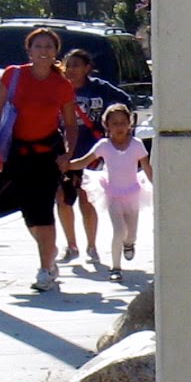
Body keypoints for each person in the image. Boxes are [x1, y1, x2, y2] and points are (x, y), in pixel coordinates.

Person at [0, 28, 79, 293]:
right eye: (38, 46)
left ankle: (45, 269)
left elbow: (71, 125)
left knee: (43, 210)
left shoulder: (62, 84)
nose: (44, 51)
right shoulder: (13, 75)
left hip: (47, 154)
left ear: (55, 52)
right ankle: (49, 252)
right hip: (17, 152)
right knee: (29, 214)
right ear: (29, 51)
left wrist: (67, 154)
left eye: (49, 46)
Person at [56, 48, 131, 266]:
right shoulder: (59, 88)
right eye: (68, 65)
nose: (71, 70)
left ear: (87, 68)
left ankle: (91, 246)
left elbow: (124, 102)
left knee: (86, 199)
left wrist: (114, 127)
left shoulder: (99, 88)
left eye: (76, 65)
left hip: (92, 153)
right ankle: (71, 246)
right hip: (64, 152)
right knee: (62, 198)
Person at [61, 102, 152, 282]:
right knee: (118, 230)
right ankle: (115, 267)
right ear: (107, 126)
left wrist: (156, 184)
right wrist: (68, 165)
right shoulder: (104, 145)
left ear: (129, 124)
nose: (119, 127)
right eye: (114, 123)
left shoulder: (137, 145)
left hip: (133, 193)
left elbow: (147, 168)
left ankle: (129, 244)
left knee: (131, 233)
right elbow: (84, 161)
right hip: (112, 194)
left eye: (122, 123)